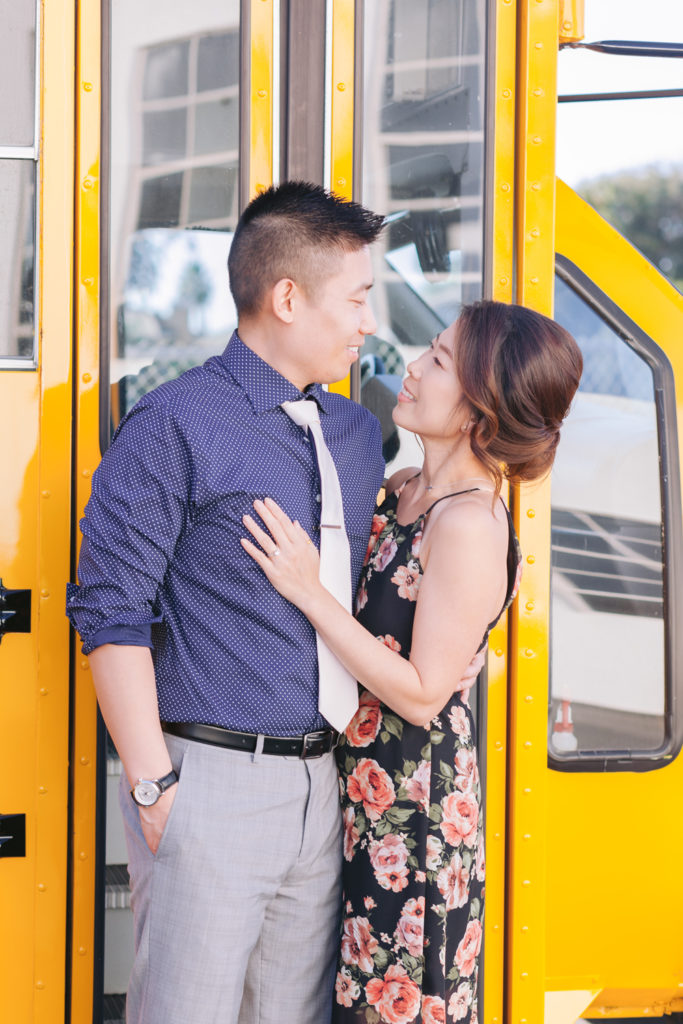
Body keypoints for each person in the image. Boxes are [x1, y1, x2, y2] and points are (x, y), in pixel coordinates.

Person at [66, 181, 388, 1024]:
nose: (368, 323)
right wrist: (152, 787)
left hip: (326, 790)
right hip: (206, 784)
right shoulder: (174, 423)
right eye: (357, 298)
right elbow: (110, 609)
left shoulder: (354, 437)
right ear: (288, 297)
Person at [241, 300, 583, 1024]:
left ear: (477, 412)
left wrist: (308, 593)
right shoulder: (406, 491)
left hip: (413, 811)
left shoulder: (465, 522)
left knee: (392, 1004)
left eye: (437, 360)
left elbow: (425, 696)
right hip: (367, 791)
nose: (412, 367)